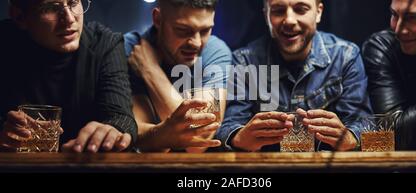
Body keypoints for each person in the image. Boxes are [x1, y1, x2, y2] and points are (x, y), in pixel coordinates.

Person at [215, 0, 373, 152]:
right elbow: (229, 125)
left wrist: (350, 138)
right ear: (266, 16)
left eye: (300, 9)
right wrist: (239, 138)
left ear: (318, 12)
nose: (289, 20)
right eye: (278, 10)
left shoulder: (346, 56)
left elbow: (362, 123)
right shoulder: (244, 61)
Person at [0, 0, 137, 153]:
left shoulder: (104, 43)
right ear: (19, 17)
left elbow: (120, 116)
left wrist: (113, 130)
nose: (70, 19)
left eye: (73, 3)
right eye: (50, 8)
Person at [124, 0, 231, 152]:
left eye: (205, 30)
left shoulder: (215, 51)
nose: (197, 43)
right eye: (183, 30)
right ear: (158, 20)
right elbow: (134, 134)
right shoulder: (129, 48)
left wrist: (151, 71)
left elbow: (200, 139)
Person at [362, 0, 416, 149]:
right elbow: (390, 133)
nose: (398, 29)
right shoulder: (383, 47)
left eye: (413, 18)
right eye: (394, 15)